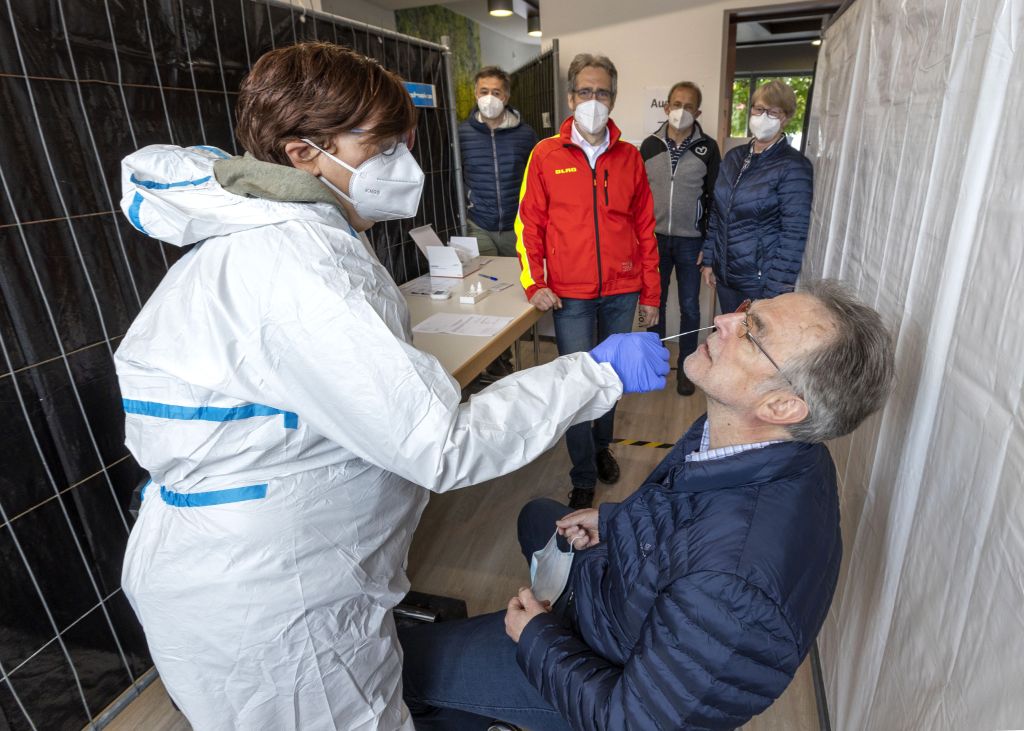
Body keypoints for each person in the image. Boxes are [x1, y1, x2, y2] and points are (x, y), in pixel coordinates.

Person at [115, 42, 669, 731]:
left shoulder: (288, 236)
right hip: (269, 596)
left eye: (403, 142)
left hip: (251, 561)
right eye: (380, 146)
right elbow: (440, 442)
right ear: (302, 151)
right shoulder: (296, 266)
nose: (403, 164)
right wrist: (596, 371)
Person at [401, 281, 896, 731]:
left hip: (603, 666)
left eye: (751, 332)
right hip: (623, 603)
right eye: (747, 310)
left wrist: (536, 638)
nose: (724, 319)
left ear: (783, 406)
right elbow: (682, 514)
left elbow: (632, 721)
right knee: (537, 515)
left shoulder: (731, 589)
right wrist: (613, 522)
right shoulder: (767, 445)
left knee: (403, 664)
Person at [515, 53, 661, 510]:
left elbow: (645, 230)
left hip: (622, 289)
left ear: (613, 98)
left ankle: (602, 448)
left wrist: (651, 293)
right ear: (570, 96)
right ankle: (582, 471)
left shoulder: (630, 157)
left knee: (610, 378)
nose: (592, 100)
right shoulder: (545, 154)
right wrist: (533, 281)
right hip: (569, 296)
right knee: (579, 384)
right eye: (584, 91)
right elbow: (529, 223)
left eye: (601, 92)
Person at [702, 80, 814, 315]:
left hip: (759, 284)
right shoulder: (734, 157)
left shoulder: (794, 166)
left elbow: (793, 234)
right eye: (759, 109)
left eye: (773, 112)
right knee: (730, 342)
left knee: (753, 348)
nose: (763, 117)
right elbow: (717, 211)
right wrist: (710, 260)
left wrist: (775, 291)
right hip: (726, 277)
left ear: (786, 117)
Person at [640, 81, 721, 396]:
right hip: (653, 240)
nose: (681, 111)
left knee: (690, 306)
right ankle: (654, 364)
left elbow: (716, 201)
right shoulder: (648, 145)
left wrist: (710, 247)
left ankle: (687, 368)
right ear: (666, 107)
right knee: (653, 303)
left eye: (689, 106)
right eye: (676, 104)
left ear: (698, 111)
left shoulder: (709, 148)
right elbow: (635, 198)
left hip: (691, 243)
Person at [460, 66, 538, 257]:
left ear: (506, 96)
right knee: (484, 281)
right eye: (484, 92)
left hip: (517, 226)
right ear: (475, 94)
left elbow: (537, 177)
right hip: (477, 224)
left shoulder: (526, 135)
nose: (489, 97)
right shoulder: (461, 134)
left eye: (496, 92)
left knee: (518, 280)